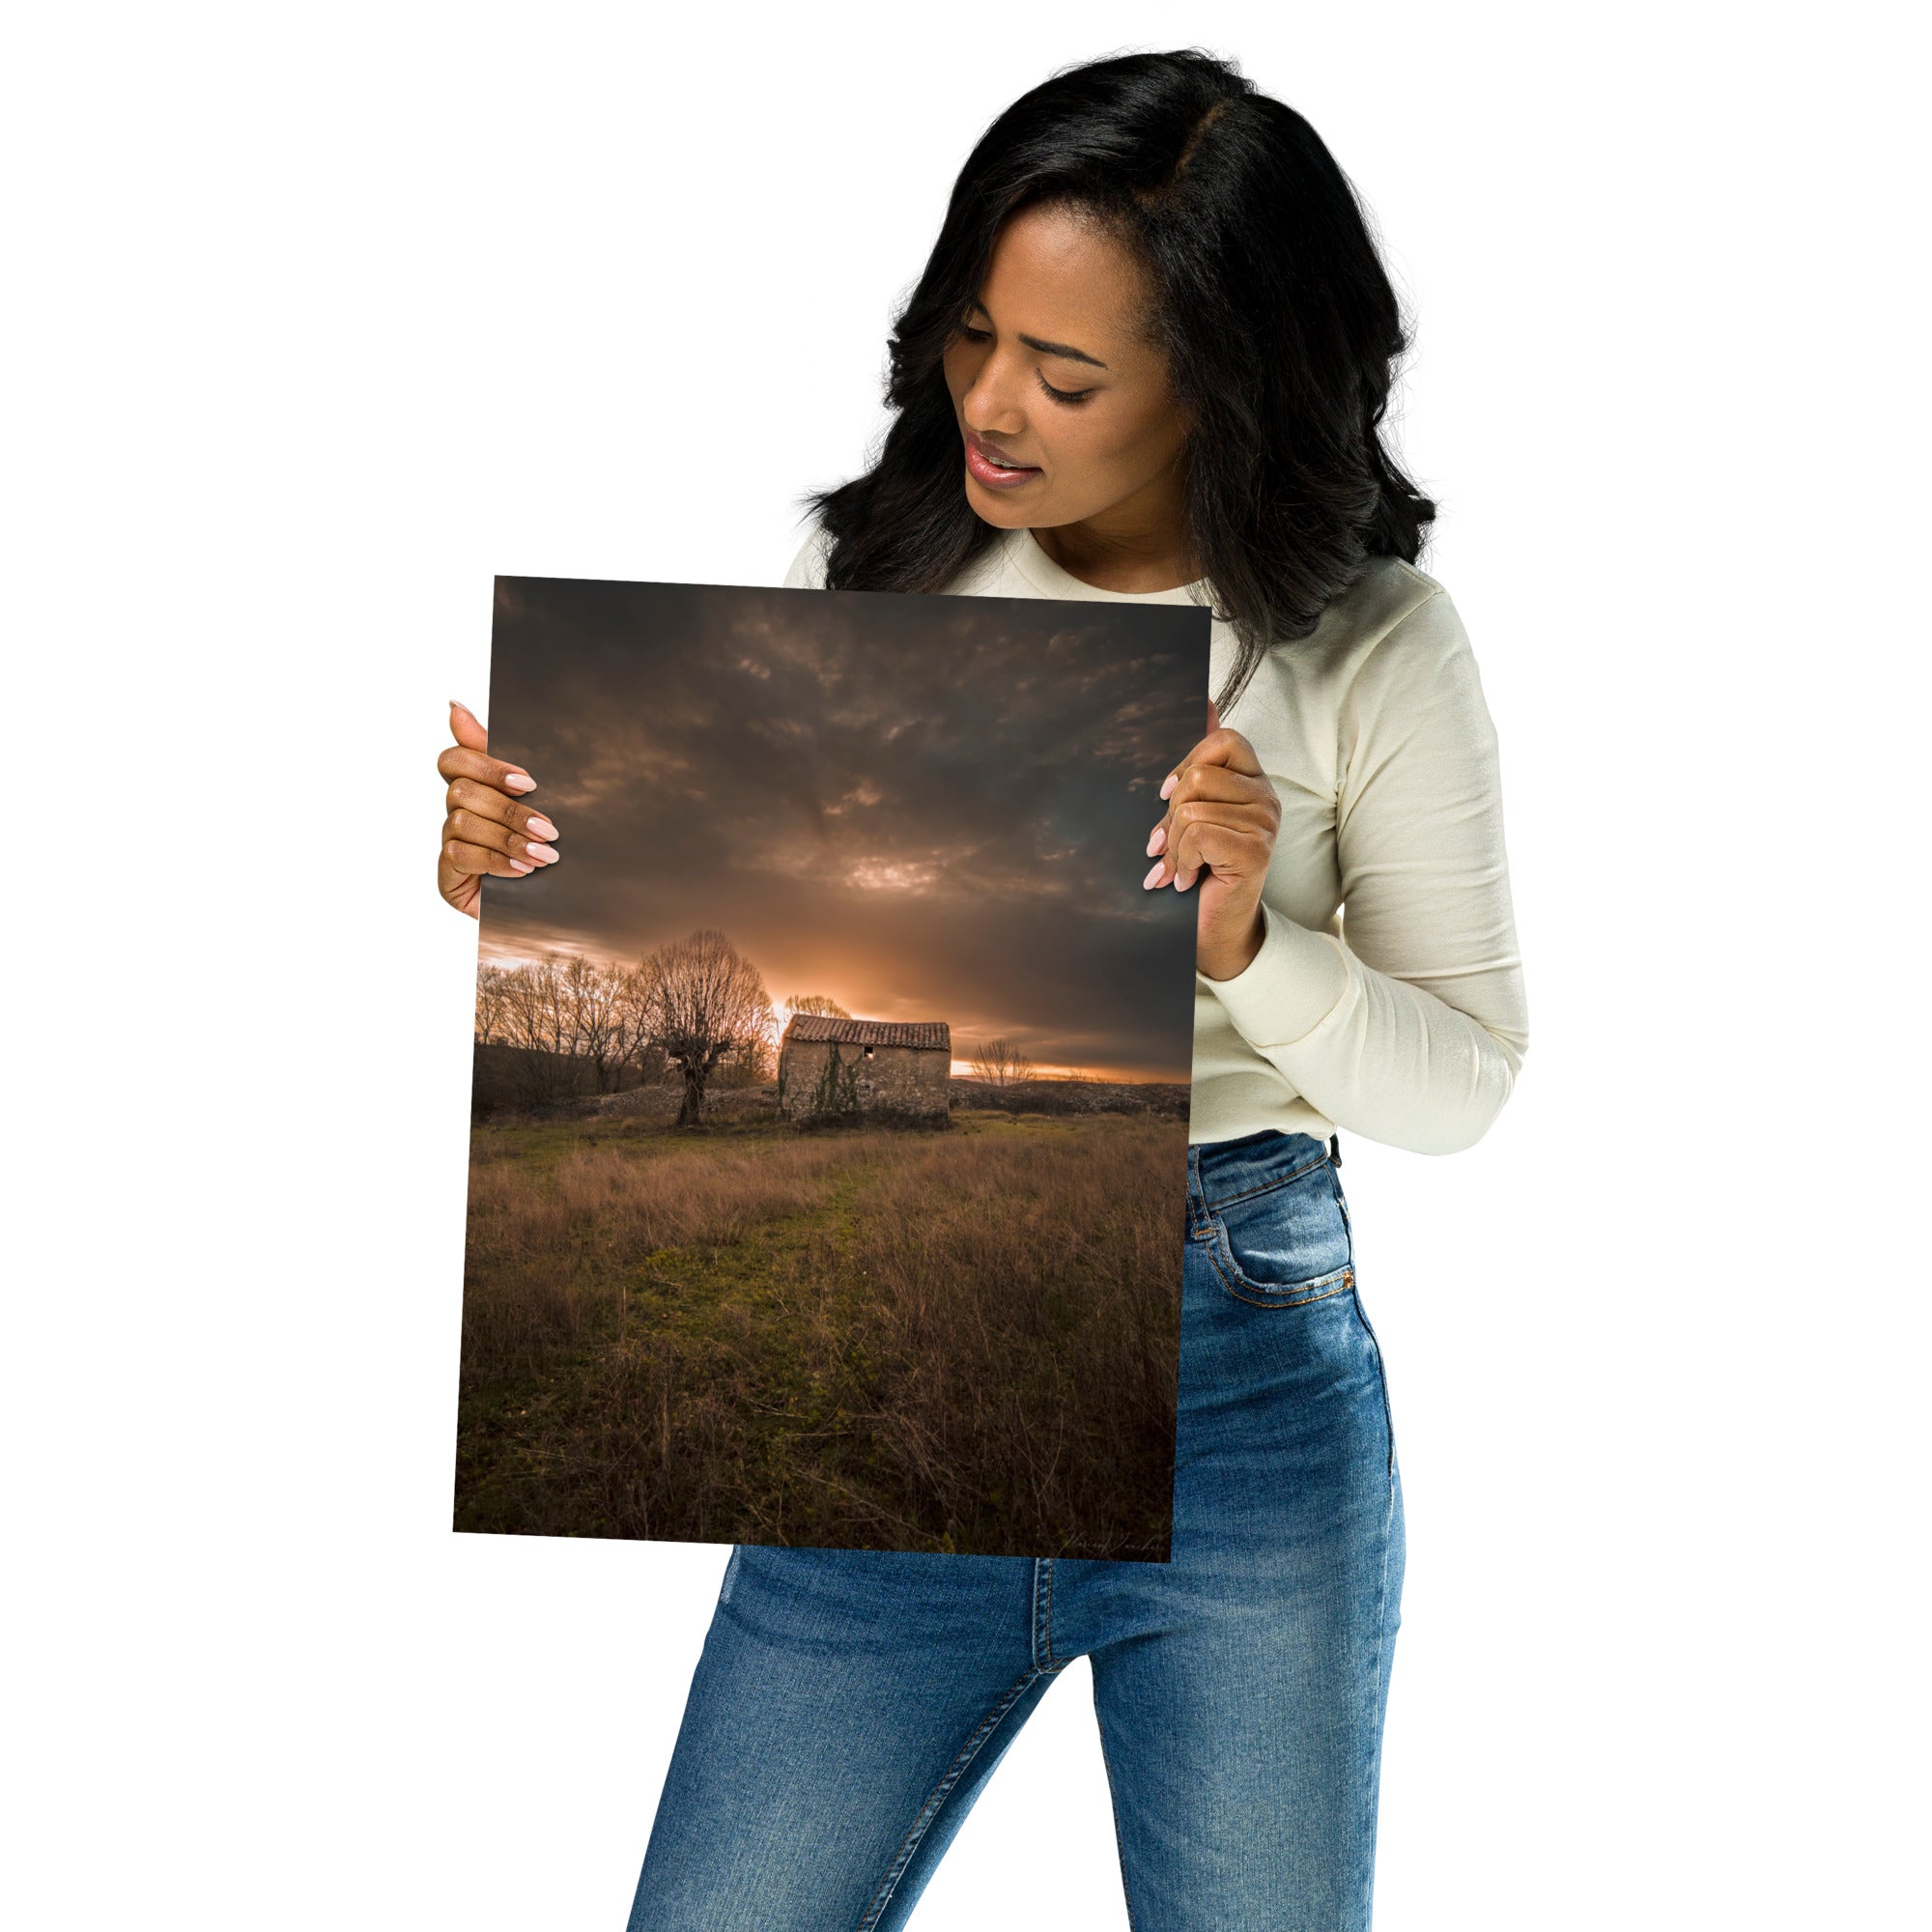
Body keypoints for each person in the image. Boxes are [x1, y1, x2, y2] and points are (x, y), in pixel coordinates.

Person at [436, 48, 1529, 1931]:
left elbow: (1463, 1086)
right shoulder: (873, 570)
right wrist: (527, 881)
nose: (990, 403)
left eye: (1067, 371)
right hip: (877, 1427)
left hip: (1245, 1398)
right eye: (969, 335)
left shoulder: (1368, 647)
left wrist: (1248, 945)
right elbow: (751, 945)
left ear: (1222, 384)